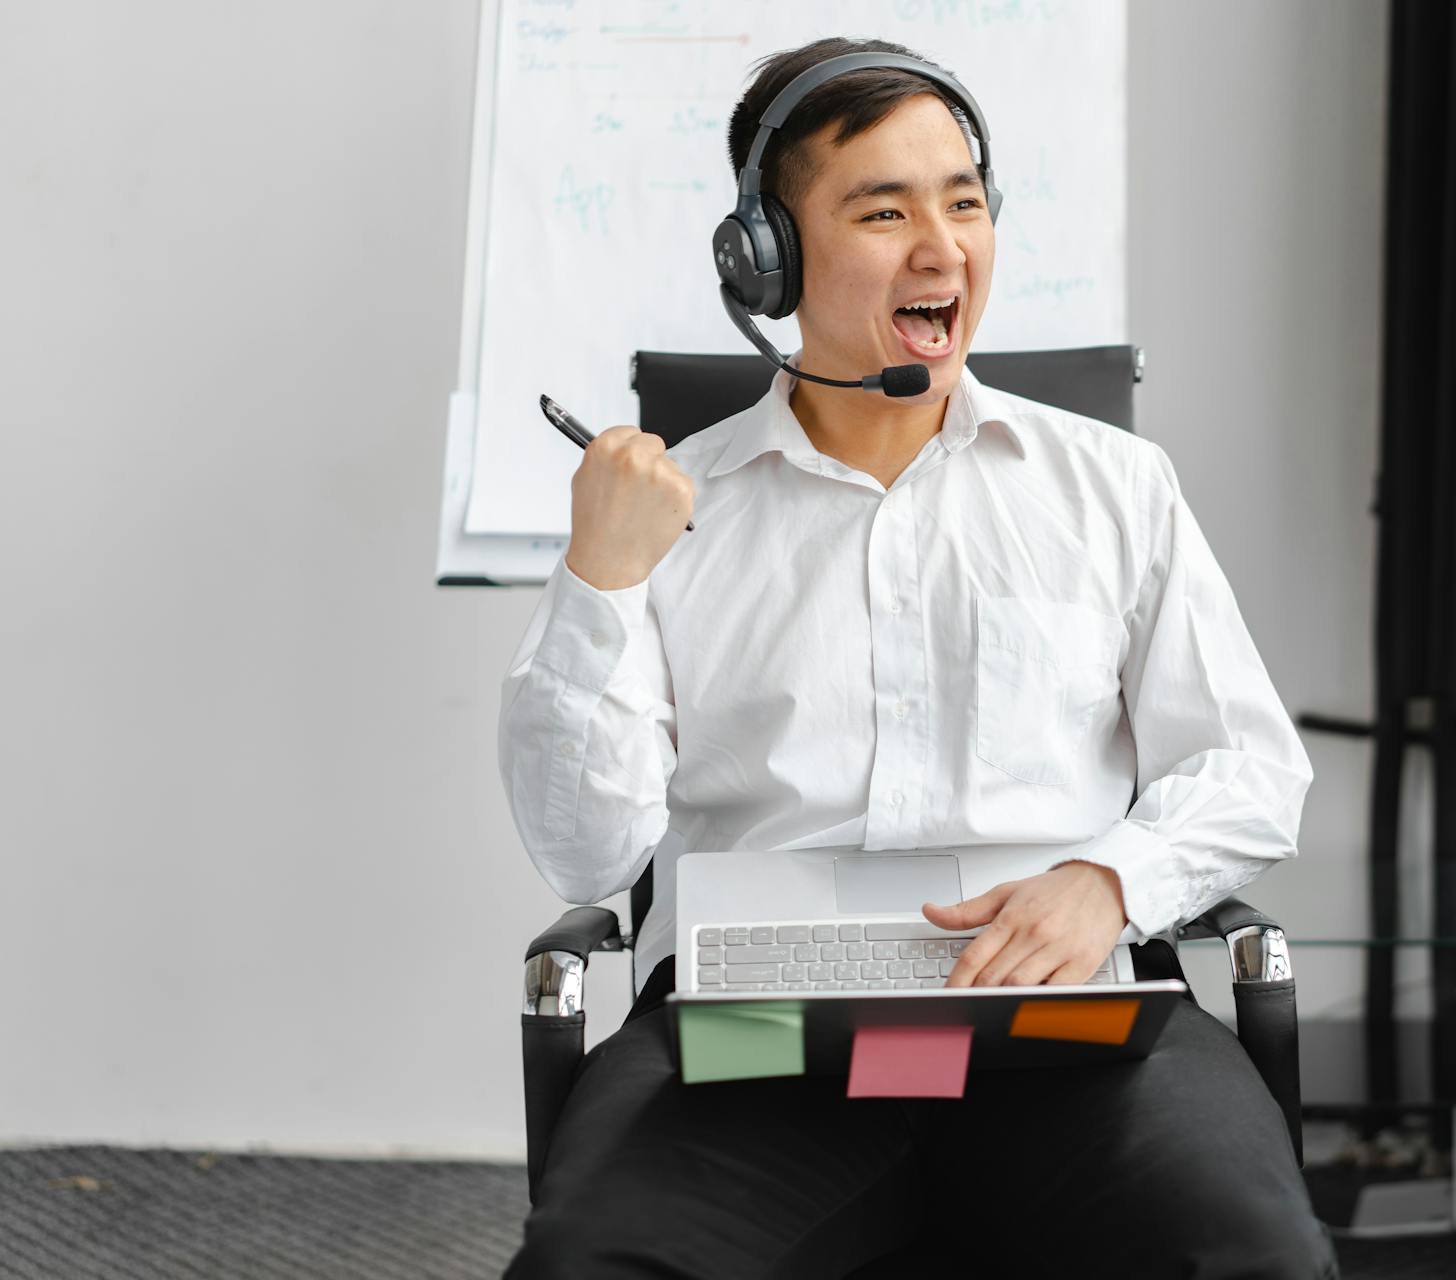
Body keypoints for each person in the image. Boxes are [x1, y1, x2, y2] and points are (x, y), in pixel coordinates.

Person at [498, 35, 1336, 1279]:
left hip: (1064, 1020)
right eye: (884, 210)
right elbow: (589, 852)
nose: (942, 247)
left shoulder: (1111, 485)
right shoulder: (682, 507)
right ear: (766, 256)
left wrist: (1110, 879)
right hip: (756, 1031)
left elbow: (1252, 766)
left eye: (964, 200)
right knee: (592, 1266)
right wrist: (600, 578)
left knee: (1253, 1255)